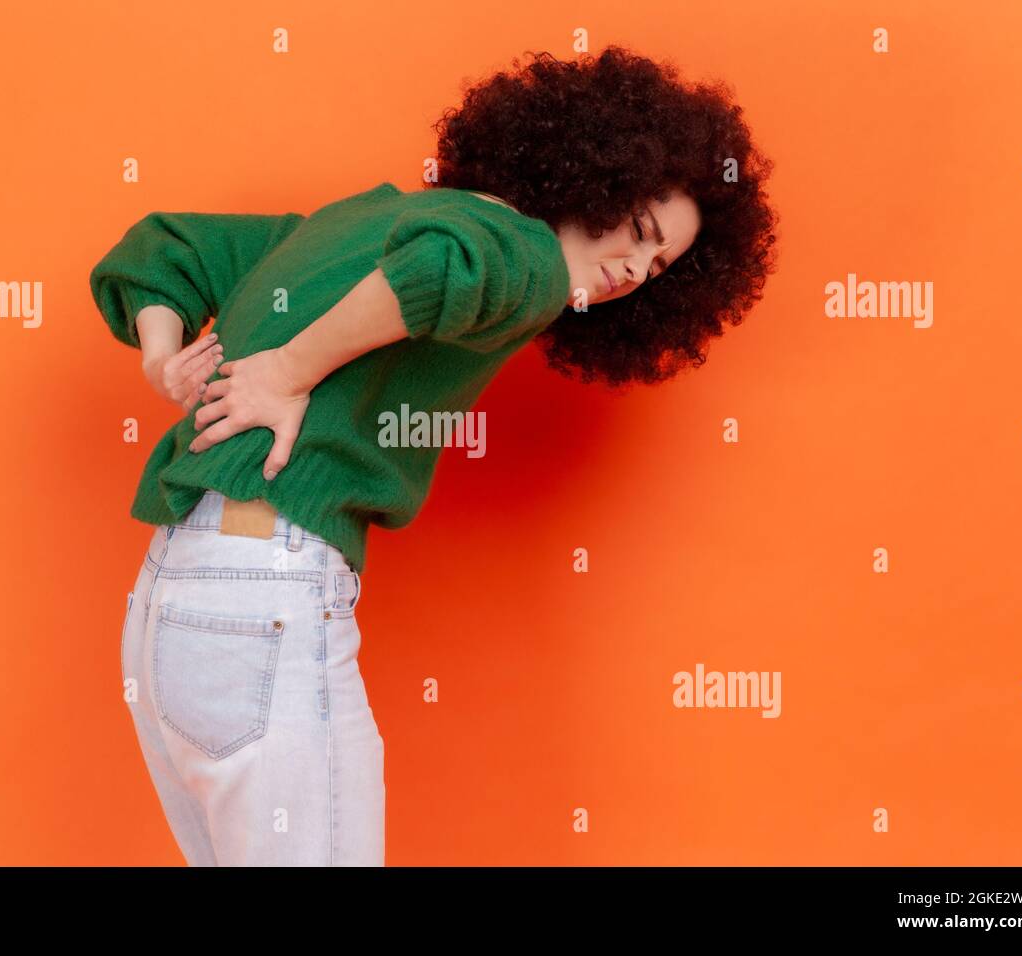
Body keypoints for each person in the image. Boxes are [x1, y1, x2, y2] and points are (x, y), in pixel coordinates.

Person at [89, 44, 778, 866]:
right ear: (592, 170)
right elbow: (444, 269)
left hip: (172, 601)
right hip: (263, 595)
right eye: (638, 229)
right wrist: (287, 370)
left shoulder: (356, 219)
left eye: (658, 264)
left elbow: (170, 250)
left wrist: (163, 358)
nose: (635, 268)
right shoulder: (525, 254)